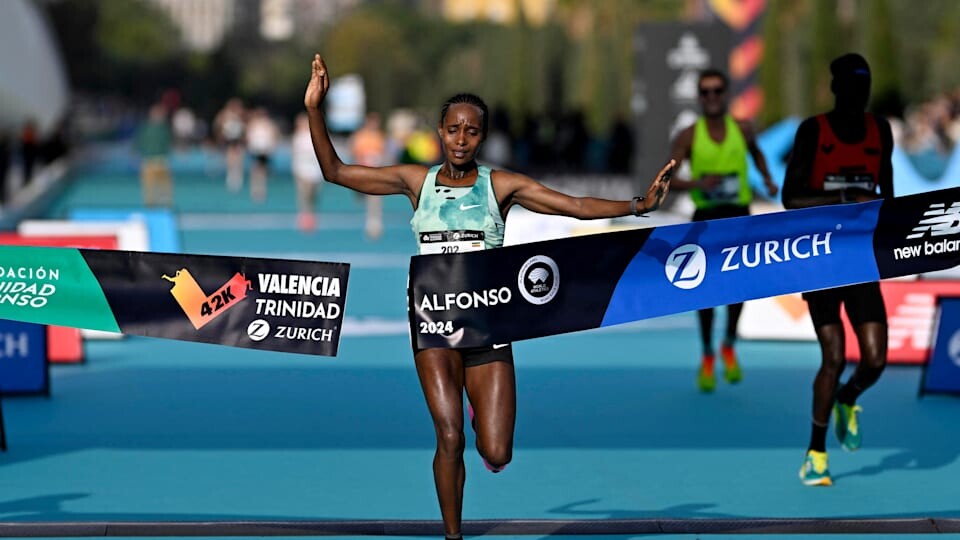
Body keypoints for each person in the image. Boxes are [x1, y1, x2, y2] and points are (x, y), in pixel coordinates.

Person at [304, 53, 674, 539]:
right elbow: (335, 171)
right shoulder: (416, 181)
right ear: (440, 132)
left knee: (496, 452)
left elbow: (575, 205)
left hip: (489, 324)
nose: (461, 139)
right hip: (434, 324)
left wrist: (639, 205)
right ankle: (453, 535)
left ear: (483, 137)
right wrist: (314, 109)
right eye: (453, 129)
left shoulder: (501, 186)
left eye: (471, 131)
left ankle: (481, 412)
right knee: (449, 436)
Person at [782, 53, 893, 487]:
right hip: (821, 259)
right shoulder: (813, 131)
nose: (858, 94)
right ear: (835, 89)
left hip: (861, 258)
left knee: (876, 360)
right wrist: (843, 198)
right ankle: (815, 454)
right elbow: (791, 198)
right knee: (834, 357)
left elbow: (888, 196)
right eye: (850, 86)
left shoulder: (880, 130)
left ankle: (849, 397)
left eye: (864, 86)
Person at [667, 68, 779, 393]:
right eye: (706, 92)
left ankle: (729, 343)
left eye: (717, 91)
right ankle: (707, 353)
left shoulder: (742, 129)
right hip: (705, 218)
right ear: (699, 97)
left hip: (738, 216)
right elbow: (668, 178)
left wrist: (767, 178)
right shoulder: (689, 135)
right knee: (704, 287)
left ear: (726, 94)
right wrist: (698, 183)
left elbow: (757, 154)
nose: (712, 97)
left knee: (738, 285)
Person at [349, 112, 388, 240]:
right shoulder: (360, 136)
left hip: (375, 172)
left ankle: (373, 224)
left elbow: (384, 153)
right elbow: (354, 153)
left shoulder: (379, 136)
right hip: (363, 170)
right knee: (362, 197)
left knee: (375, 197)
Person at [132, 104, 174, 207]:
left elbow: (169, 144)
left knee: (163, 189)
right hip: (151, 161)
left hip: (160, 161)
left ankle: (163, 205)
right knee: (151, 188)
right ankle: (152, 206)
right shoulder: (148, 129)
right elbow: (139, 144)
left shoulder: (163, 129)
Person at [291, 112, 323, 231]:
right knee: (303, 194)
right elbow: (295, 154)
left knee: (313, 195)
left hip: (315, 171)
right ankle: (304, 217)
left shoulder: (316, 135)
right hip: (302, 169)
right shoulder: (298, 137)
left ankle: (311, 213)